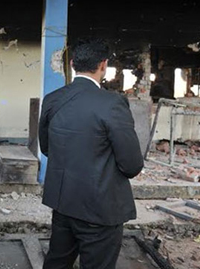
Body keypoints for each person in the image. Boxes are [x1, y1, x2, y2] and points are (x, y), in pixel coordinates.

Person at [39, 38, 144, 269]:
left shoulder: (53, 99)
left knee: (57, 260)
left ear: (73, 63)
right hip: (100, 207)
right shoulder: (112, 103)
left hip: (63, 201)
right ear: (103, 65)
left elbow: (47, 148)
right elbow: (132, 165)